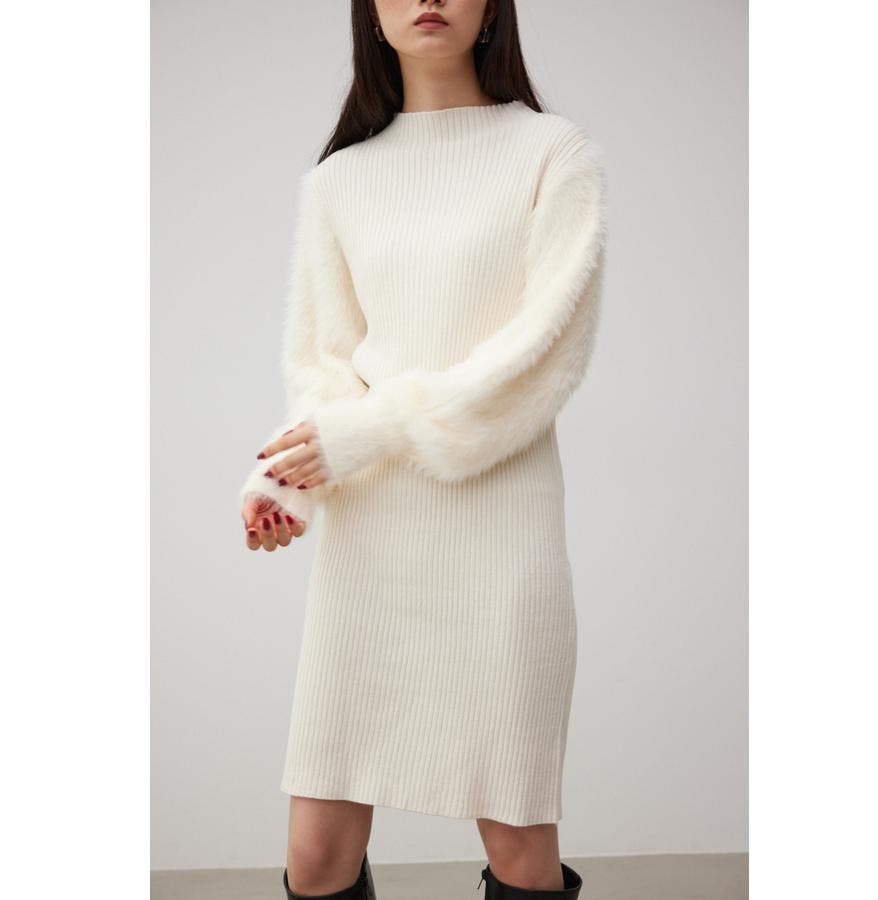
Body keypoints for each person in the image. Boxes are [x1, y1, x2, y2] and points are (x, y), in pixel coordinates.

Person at [237, 2, 607, 897]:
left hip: (502, 526)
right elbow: (324, 362)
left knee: (519, 842)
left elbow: (541, 358)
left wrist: (365, 431)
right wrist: (284, 479)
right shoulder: (338, 181)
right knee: (316, 856)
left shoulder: (553, 154)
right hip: (373, 534)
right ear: (369, 12)